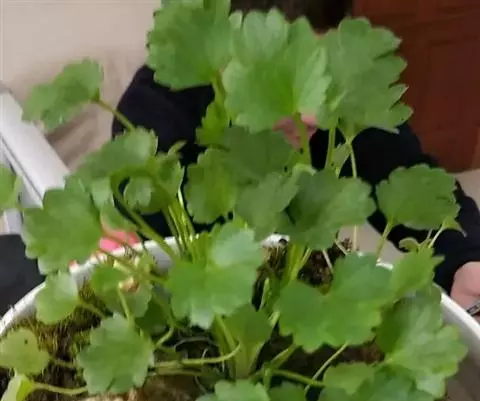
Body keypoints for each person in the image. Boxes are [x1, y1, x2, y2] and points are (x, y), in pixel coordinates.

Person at [112, 0, 480, 313]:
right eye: (280, 80)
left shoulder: (341, 101)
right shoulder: (152, 119)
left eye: (321, 71)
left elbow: (407, 173)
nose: (313, 117)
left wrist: (467, 257)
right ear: (219, 52)